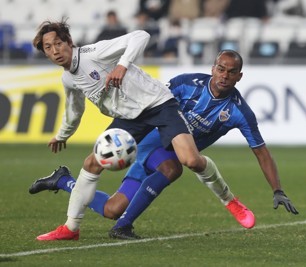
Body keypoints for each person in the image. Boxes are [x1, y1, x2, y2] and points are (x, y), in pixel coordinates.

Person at [29, 50, 298, 239]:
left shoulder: (240, 112)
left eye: (231, 72)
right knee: (173, 167)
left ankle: (63, 180)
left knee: (111, 208)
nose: (224, 75)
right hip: (147, 144)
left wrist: (277, 189)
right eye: (220, 69)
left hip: (169, 152)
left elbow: (261, 152)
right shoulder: (185, 84)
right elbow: (151, 102)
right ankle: (124, 227)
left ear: (239, 76)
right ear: (213, 68)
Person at [32, 19, 233, 241]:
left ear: (69, 42)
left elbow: (141, 35)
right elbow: (74, 108)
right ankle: (71, 228)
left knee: (191, 160)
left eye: (58, 43)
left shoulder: (93, 53)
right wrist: (62, 134)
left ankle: (229, 199)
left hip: (158, 104)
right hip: (130, 118)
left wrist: (122, 65)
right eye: (48, 48)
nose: (55, 51)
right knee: (91, 163)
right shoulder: (68, 78)